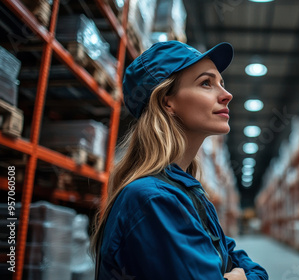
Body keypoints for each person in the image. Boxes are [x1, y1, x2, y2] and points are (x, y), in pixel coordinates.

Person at [90, 41, 268, 280]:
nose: (227, 95)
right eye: (206, 83)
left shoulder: (187, 192)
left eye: (221, 84)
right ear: (166, 101)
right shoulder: (154, 199)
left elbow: (235, 255)